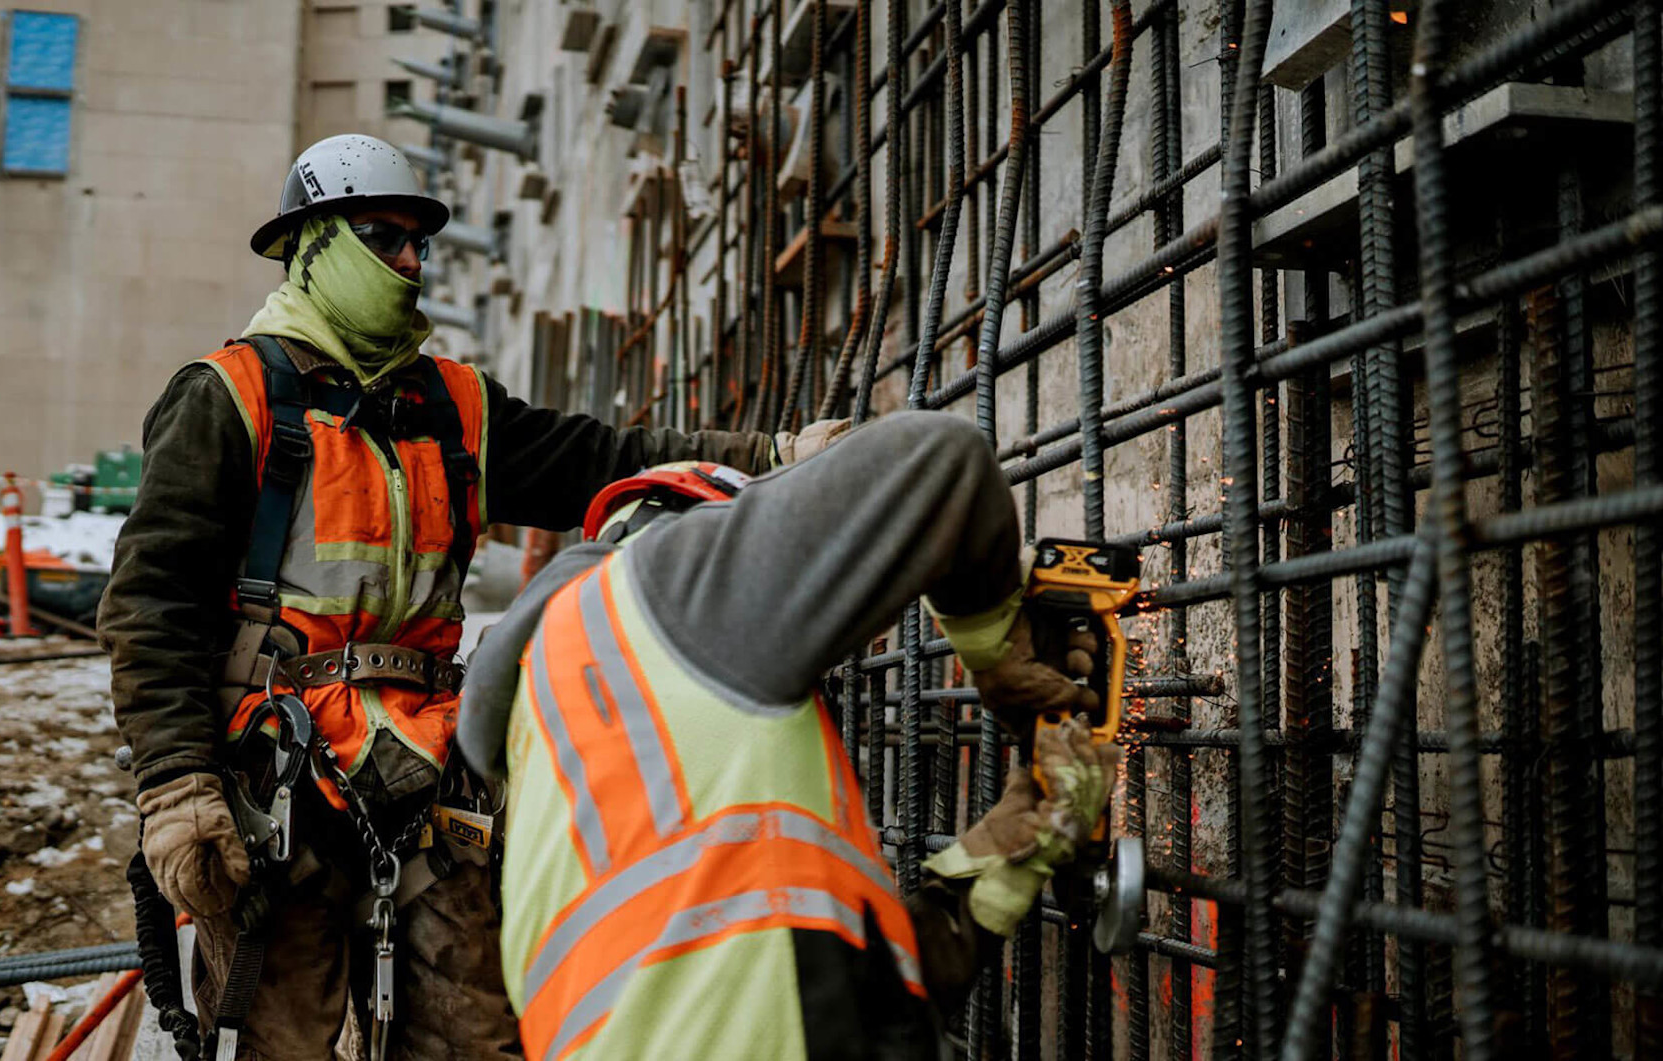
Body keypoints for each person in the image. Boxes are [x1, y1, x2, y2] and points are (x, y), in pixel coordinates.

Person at [99, 133, 806, 1061]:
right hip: (276, 787)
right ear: (314, 246)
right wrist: (176, 785)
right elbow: (153, 603)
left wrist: (779, 460)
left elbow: (603, 461)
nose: (409, 262)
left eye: (417, 242)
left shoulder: (454, 404)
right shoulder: (230, 397)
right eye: (383, 238)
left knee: (473, 1038)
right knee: (279, 1043)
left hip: (428, 783)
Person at [457, 411, 1123, 1059]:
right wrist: (1002, 659)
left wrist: (995, 868)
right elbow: (946, 459)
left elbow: (788, 986)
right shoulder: (674, 583)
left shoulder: (544, 750)